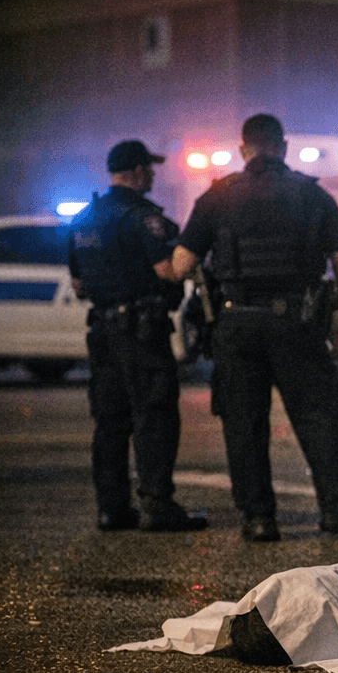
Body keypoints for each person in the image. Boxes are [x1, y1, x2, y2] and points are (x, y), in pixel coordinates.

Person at [171, 114, 338, 542]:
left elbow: (181, 265)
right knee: (318, 416)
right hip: (298, 323)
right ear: (283, 147)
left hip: (236, 324)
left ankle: (258, 518)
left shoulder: (217, 197)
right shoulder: (311, 195)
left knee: (243, 422)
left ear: (243, 150)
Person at [68, 140, 207, 532]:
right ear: (137, 171)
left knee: (110, 419)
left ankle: (111, 509)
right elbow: (167, 270)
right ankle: (158, 506)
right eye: (150, 168)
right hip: (142, 331)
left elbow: (79, 285)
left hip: (102, 331)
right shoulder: (143, 217)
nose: (154, 175)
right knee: (155, 414)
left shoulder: (82, 220)